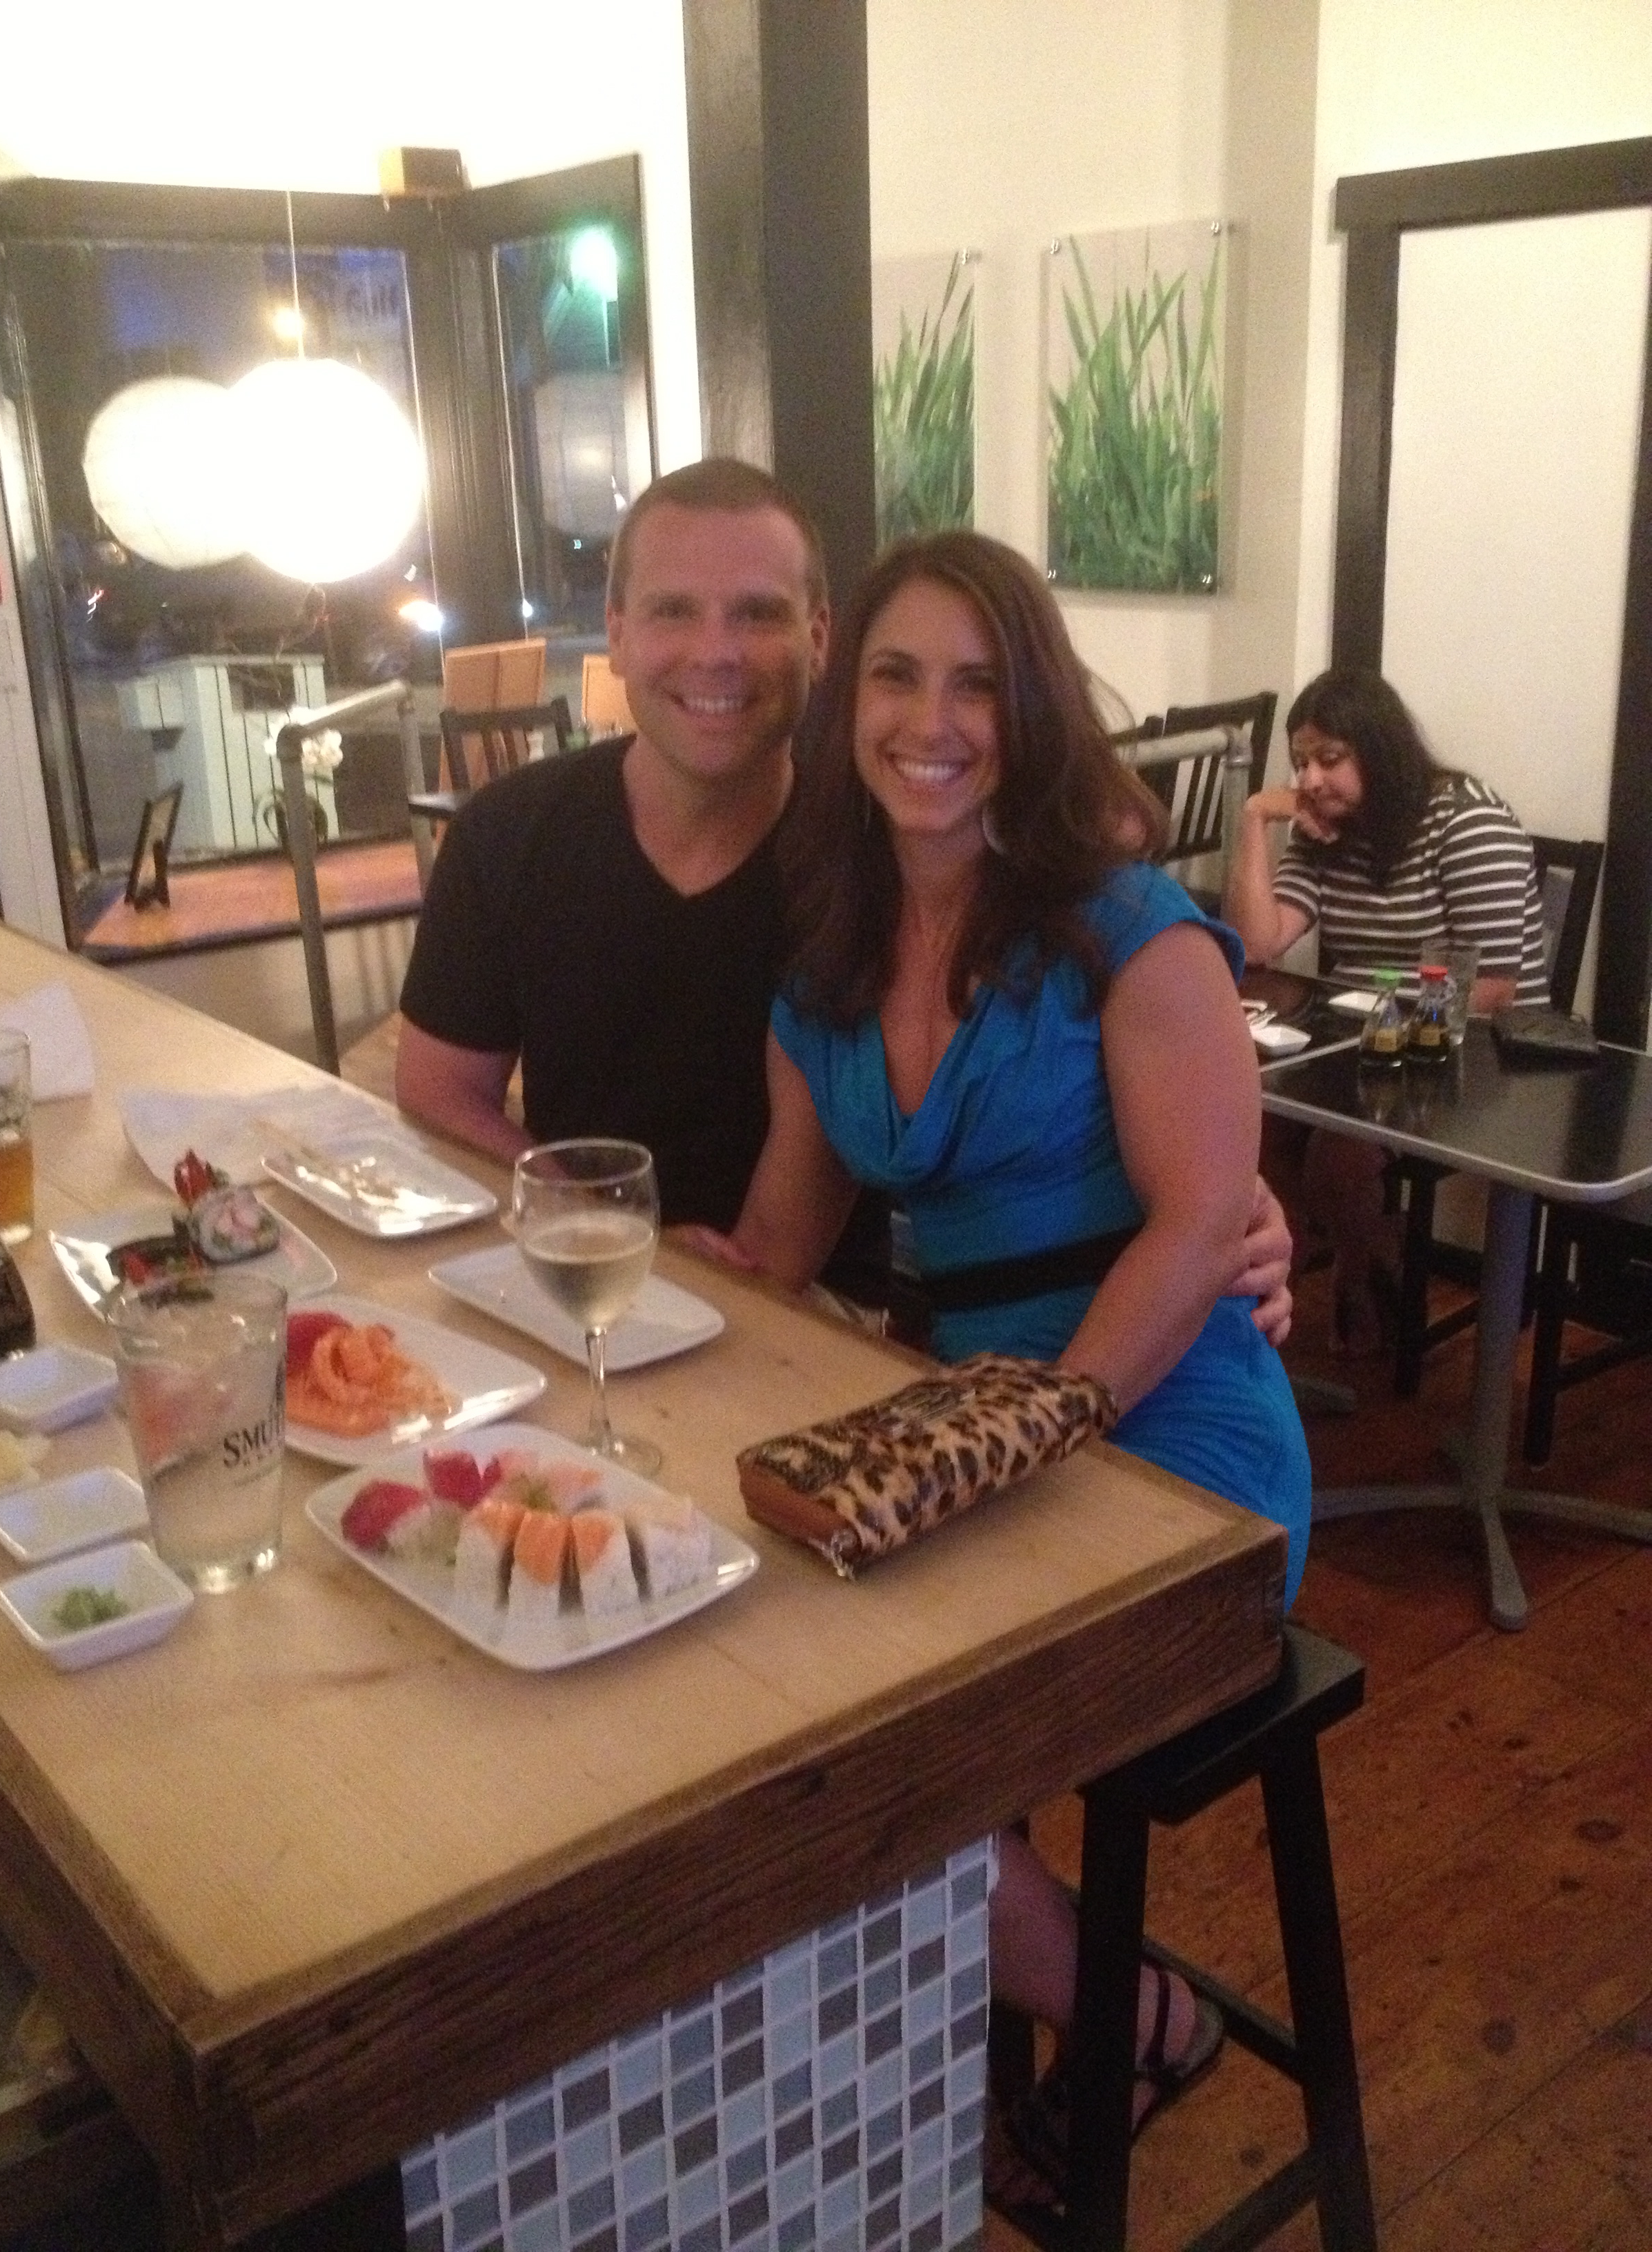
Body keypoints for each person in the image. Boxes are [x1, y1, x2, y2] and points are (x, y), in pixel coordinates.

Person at [684, 528, 1312, 2187]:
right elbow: (778, 1244)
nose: (931, 720)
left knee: (853, 1753)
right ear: (847, 709)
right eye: (895, 676)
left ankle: (1142, 2021)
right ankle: (941, 2061)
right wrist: (654, 1275)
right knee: (756, 1697)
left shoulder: (1131, 935)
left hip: (1172, 1440)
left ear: (1030, 715)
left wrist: (1045, 1419)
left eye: (976, 684)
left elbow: (1204, 1222)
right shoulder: (826, 969)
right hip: (978, 1444)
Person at [397, 457, 1291, 1320]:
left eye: (758, 614)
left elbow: (1083, 1063)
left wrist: (1226, 1205)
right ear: (618, 630)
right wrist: (605, 1232)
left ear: (819, 639)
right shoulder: (508, 834)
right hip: (584, 1271)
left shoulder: (890, 859)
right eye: (674, 611)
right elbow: (438, 1090)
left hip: (823, 1306)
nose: (716, 653)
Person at [1222, 666, 1549, 1351]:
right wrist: (1255, 819)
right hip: (1364, 1041)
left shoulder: (1468, 822)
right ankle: (1279, 1308)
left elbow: (1494, 988)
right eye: (1301, 762)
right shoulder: (1326, 827)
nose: (1311, 780)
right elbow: (1256, 942)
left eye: (1330, 759)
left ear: (1380, 750)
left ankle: (1362, 1268)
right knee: (1251, 1129)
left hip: (1469, 1051)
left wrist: (1373, 995)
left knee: (1336, 1155)